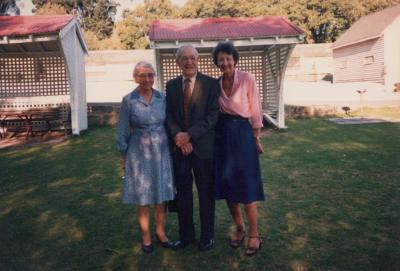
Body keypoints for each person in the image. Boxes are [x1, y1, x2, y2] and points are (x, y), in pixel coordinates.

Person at [212, 41, 265, 257]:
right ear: (217, 62)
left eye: (228, 58)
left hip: (243, 134)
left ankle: (254, 234)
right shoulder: (215, 84)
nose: (225, 62)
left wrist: (256, 137)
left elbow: (255, 108)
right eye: (221, 59)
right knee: (228, 186)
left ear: (234, 59)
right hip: (222, 136)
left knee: (247, 185)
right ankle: (240, 228)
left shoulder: (247, 78)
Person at [116, 61, 175, 254]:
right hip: (138, 153)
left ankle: (160, 232)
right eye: (142, 75)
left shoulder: (162, 98)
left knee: (161, 195)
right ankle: (146, 236)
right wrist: (124, 156)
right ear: (135, 78)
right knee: (142, 196)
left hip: (161, 151)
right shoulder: (129, 100)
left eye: (150, 75)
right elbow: (122, 130)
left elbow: (169, 123)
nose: (147, 79)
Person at [166, 45, 220, 251]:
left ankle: (207, 236)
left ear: (198, 60)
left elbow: (213, 116)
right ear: (178, 62)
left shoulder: (210, 84)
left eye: (192, 58)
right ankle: (186, 236)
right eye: (184, 59)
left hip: (203, 150)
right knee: (183, 195)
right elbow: (169, 116)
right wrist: (179, 138)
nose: (189, 62)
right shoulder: (171, 86)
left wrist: (189, 135)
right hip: (180, 150)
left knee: (205, 194)